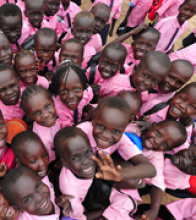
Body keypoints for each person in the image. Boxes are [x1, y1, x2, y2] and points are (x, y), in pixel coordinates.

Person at [55, 126, 140, 220]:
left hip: (105, 192)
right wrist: (106, 212)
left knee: (126, 201)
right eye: (75, 158)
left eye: (88, 152)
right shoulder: (71, 192)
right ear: (65, 164)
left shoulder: (93, 160)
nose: (86, 161)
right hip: (94, 207)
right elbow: (80, 217)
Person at [77, 97, 156, 182]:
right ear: (93, 120)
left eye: (116, 131)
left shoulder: (122, 139)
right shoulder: (81, 132)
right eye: (101, 126)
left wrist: (120, 174)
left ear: (124, 129)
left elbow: (151, 169)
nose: (106, 136)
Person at [99, 51, 170, 100]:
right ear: (135, 69)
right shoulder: (114, 82)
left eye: (154, 80)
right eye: (145, 76)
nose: (147, 83)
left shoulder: (143, 95)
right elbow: (97, 93)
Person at [20, 85, 61, 162]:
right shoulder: (44, 141)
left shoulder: (54, 118)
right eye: (37, 113)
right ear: (29, 116)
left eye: (47, 106)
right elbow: (51, 160)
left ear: (53, 101)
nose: (46, 115)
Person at [50, 60, 93, 128]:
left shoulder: (87, 92)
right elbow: (69, 132)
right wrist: (87, 118)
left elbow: (84, 104)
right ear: (57, 91)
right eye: (64, 92)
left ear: (83, 87)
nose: (71, 96)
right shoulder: (58, 109)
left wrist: (91, 110)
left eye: (76, 89)